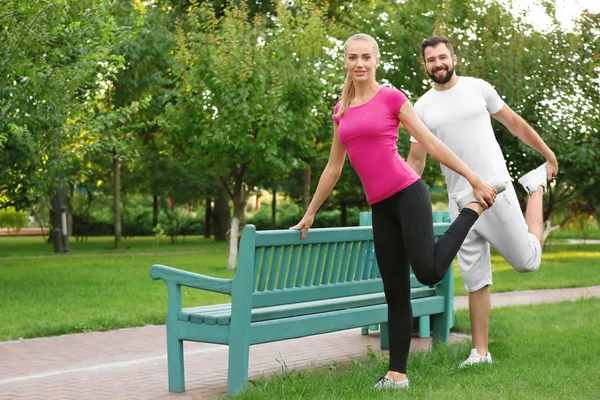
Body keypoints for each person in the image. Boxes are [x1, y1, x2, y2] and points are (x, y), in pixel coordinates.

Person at [290, 33, 505, 390]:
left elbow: (431, 143)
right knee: (395, 292)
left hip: (408, 194)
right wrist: (311, 211)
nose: (359, 63)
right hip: (379, 206)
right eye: (352, 57)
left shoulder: (391, 97)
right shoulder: (341, 111)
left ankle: (470, 209)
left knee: (429, 271)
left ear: (376, 60)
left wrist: (474, 179)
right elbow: (333, 167)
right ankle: (397, 375)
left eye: (365, 57)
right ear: (345, 62)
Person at [406, 36, 559, 368]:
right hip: (459, 202)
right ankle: (480, 353)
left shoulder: (478, 89)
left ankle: (534, 188)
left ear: (454, 57)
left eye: (442, 57)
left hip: (495, 192)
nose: (438, 63)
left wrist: (546, 154)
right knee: (476, 278)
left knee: (527, 262)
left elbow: (514, 123)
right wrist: (400, 198)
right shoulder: (422, 107)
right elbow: (416, 161)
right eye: (431, 60)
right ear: (425, 65)